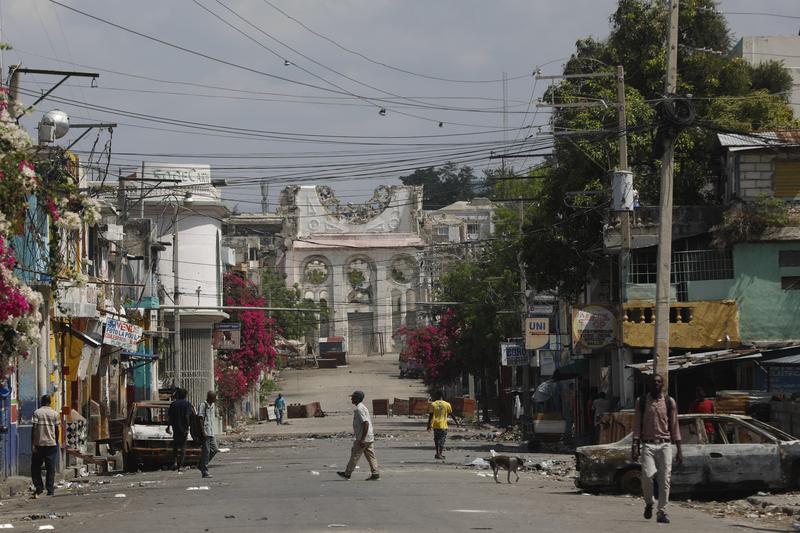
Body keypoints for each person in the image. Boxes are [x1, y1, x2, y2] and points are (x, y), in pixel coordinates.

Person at [632, 374, 683, 524]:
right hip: (647, 444)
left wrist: (679, 449)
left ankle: (662, 511)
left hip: (665, 444)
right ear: (649, 384)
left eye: (658, 382)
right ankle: (649, 502)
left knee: (665, 479)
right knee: (647, 477)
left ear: (663, 385)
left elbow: (675, 426)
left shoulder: (669, 402)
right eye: (653, 382)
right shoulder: (641, 401)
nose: (656, 384)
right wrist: (635, 446)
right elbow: (636, 426)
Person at [337, 390, 379, 481]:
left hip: (363, 438)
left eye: (353, 397)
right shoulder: (362, 407)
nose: (351, 399)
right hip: (369, 437)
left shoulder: (360, 409)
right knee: (371, 455)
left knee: (355, 455)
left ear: (357, 398)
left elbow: (366, 423)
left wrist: (362, 439)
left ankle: (347, 474)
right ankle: (375, 473)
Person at [31, 394, 60, 498]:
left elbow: (34, 429)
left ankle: (39, 487)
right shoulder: (55, 414)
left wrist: (33, 444)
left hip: (39, 444)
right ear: (50, 402)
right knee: (50, 468)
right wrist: (56, 441)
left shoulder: (37, 413)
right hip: (51, 444)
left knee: (35, 467)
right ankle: (50, 489)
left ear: (41, 402)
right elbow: (57, 430)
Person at [166, 388, 193, 472]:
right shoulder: (187, 404)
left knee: (175, 446)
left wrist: (168, 427)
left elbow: (170, 417)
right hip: (183, 428)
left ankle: (175, 463)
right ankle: (180, 465)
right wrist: (188, 427)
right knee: (183, 447)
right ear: (185, 395)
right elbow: (187, 416)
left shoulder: (173, 404)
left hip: (175, 428)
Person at [197, 390, 219, 478]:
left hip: (211, 432)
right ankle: (204, 471)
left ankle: (201, 465)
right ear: (210, 397)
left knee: (214, 449)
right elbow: (200, 418)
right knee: (206, 452)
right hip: (205, 432)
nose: (215, 399)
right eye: (214, 397)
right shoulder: (203, 405)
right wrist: (203, 432)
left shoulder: (212, 406)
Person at [427, 390, 453, 460]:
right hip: (443, 426)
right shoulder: (447, 404)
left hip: (435, 425)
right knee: (442, 440)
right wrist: (457, 422)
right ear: (443, 396)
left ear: (436, 396)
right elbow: (451, 414)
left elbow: (431, 416)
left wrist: (428, 425)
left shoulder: (433, 404)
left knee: (436, 440)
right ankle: (440, 454)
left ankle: (437, 453)